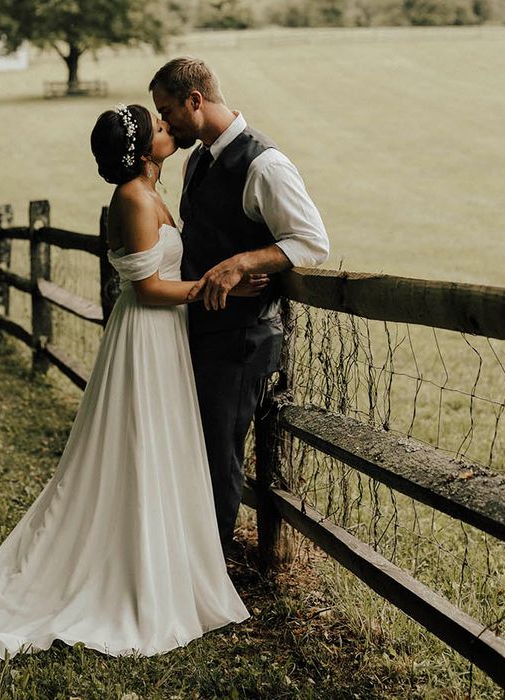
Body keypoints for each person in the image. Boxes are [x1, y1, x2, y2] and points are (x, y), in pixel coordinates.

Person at [0, 104, 264, 659]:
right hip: (146, 332)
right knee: (137, 444)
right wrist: (218, 289)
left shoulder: (145, 190)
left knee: (157, 445)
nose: (170, 131)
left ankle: (162, 558)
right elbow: (147, 292)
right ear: (144, 152)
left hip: (162, 337)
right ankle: (128, 571)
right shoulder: (135, 200)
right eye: (161, 129)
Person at [149, 57, 330, 553]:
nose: (164, 124)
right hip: (202, 329)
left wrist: (243, 263)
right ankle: (188, 560)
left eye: (168, 111)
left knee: (218, 454)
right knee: (194, 447)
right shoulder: (197, 159)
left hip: (241, 337)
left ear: (196, 100)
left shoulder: (264, 164)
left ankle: (208, 571)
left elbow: (312, 242)